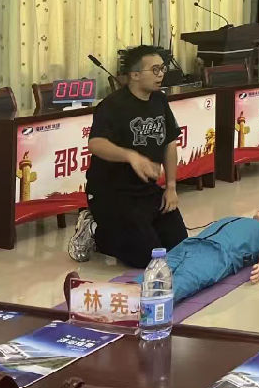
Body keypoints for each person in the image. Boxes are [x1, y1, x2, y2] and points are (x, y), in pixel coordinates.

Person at [67, 46, 187, 267]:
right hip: (112, 193)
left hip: (146, 189)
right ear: (135, 75)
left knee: (179, 246)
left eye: (162, 68)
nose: (161, 74)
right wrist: (130, 156)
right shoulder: (112, 105)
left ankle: (129, 231)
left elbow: (170, 143)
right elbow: (96, 143)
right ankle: (95, 229)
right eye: (155, 69)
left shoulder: (159, 101)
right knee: (146, 258)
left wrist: (171, 187)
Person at [164, 208, 259, 302]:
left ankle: (155, 305)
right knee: (159, 268)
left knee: (183, 280)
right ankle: (151, 290)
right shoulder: (238, 219)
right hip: (192, 242)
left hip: (218, 253)